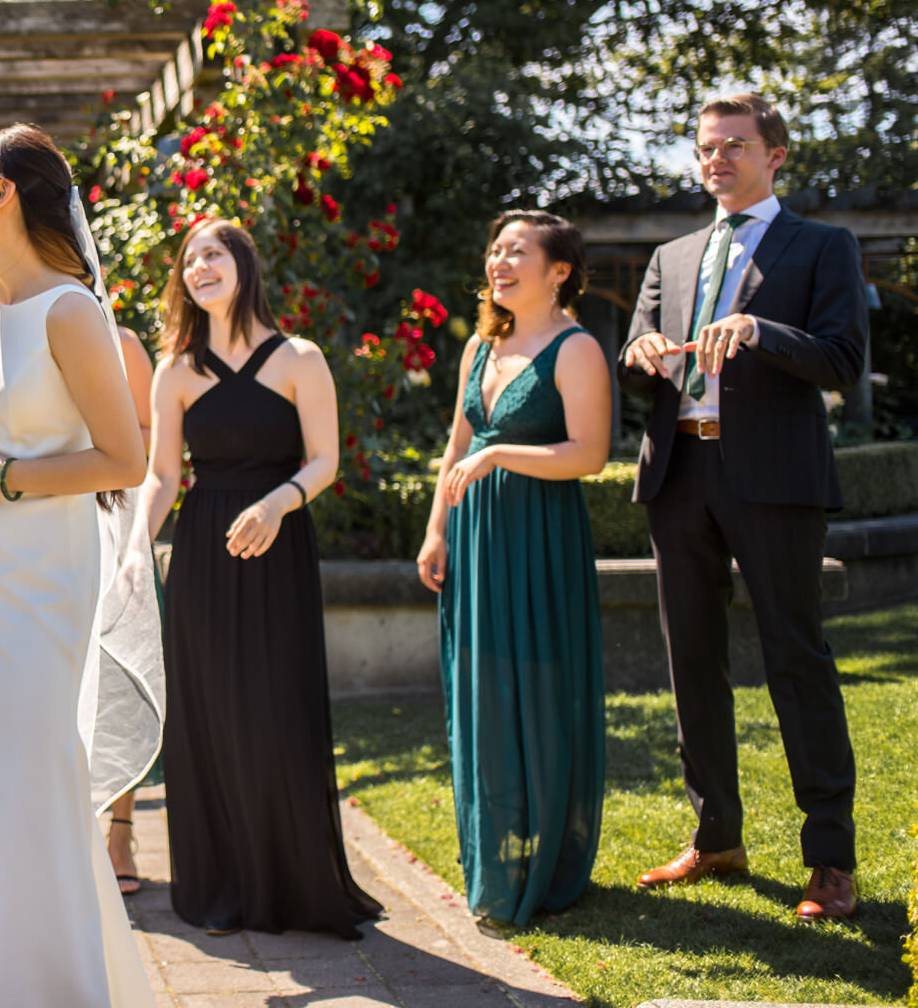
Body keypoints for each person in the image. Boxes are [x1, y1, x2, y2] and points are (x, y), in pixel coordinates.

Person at [0, 122, 157, 1007]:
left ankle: (61, 979)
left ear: (1, 193)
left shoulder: (72, 311)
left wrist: (4, 477)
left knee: (40, 763)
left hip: (46, 572)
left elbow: (124, 460)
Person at [621, 94, 867, 921]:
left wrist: (762, 331)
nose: (716, 158)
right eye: (705, 147)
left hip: (775, 480)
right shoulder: (672, 254)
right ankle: (716, 834)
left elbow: (841, 360)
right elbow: (632, 353)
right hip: (680, 472)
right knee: (693, 661)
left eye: (734, 144)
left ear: (777, 155)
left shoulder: (823, 247)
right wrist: (642, 349)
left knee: (796, 661)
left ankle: (830, 860)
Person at [144, 218, 380, 938]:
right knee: (210, 715)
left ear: (244, 263)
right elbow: (160, 476)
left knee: (277, 711)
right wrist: (130, 552)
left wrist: (279, 500)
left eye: (213, 254)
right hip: (203, 558)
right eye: (189, 259)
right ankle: (221, 887)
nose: (199, 267)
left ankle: (295, 884)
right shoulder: (175, 369)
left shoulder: (300, 357)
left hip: (278, 550)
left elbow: (324, 459)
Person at [416, 210, 609, 925]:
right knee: (483, 691)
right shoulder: (479, 346)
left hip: (538, 536)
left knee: (540, 686)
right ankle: (495, 859)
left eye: (516, 252)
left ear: (559, 270)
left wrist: (498, 456)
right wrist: (436, 530)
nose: (499, 262)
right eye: (494, 249)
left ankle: (550, 859)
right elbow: (456, 442)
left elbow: (588, 454)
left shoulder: (576, 348)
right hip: (473, 538)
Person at [98, 327, 157, 896]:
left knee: (115, 679)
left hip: (107, 516)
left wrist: (92, 458)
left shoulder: (124, 343)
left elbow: (147, 432)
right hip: (32, 522)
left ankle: (120, 833)